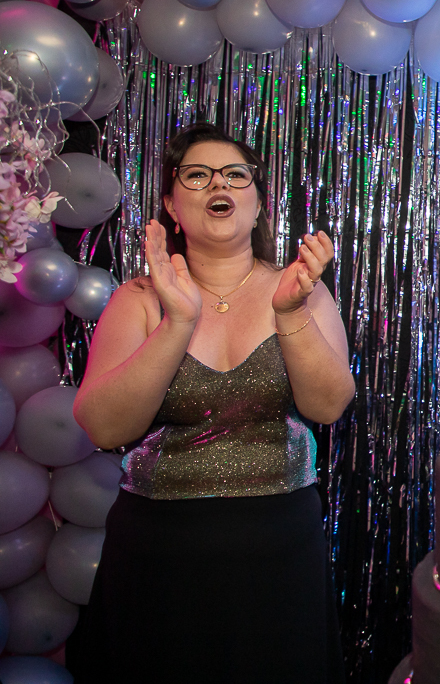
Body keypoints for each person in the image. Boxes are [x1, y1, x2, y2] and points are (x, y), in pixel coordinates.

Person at [71, 123, 356, 684]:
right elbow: (103, 427)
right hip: (158, 553)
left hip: (279, 549)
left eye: (234, 175)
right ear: (171, 206)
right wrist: (178, 320)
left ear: (258, 202)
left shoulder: (301, 289)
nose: (218, 184)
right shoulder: (139, 300)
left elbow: (327, 406)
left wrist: (291, 313)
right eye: (197, 176)